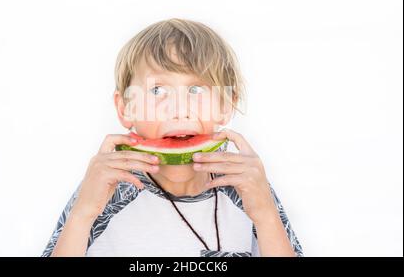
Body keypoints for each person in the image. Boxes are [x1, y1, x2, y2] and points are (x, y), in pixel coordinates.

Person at [42, 18, 303, 257]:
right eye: (157, 90)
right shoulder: (105, 191)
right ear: (125, 109)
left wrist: (267, 216)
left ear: (226, 105)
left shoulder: (247, 188)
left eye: (196, 89)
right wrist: (82, 214)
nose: (179, 110)